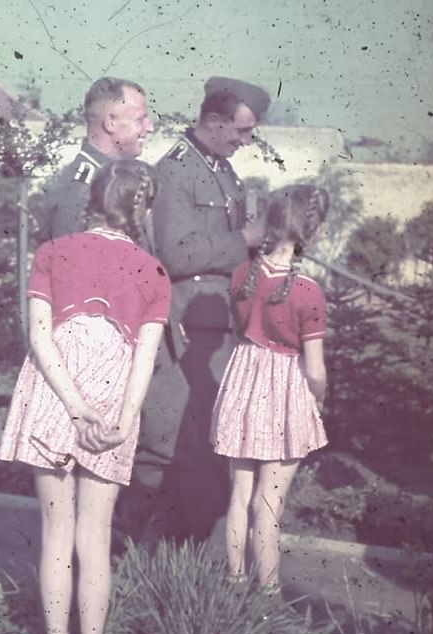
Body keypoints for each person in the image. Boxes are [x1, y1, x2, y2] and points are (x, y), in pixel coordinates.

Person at [0, 159, 170, 634]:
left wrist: (75, 407)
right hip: (115, 402)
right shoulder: (154, 272)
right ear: (144, 211)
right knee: (95, 538)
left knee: (56, 533)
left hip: (55, 392)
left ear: (92, 200)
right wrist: (123, 419)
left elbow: (39, 336)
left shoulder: (53, 252)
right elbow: (145, 360)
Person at [126, 76, 272, 541]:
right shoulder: (177, 170)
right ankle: (126, 549)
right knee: (168, 443)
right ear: (214, 121)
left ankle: (179, 555)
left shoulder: (220, 168)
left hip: (217, 320)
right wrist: (243, 241)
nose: (245, 141)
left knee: (205, 443)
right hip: (189, 320)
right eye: (241, 131)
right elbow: (176, 254)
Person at [210, 184, 330, 591]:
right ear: (314, 229)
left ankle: (235, 580)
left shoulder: (243, 274)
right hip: (284, 394)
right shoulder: (308, 291)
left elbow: (243, 327)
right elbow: (315, 370)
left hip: (243, 383)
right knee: (270, 503)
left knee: (239, 494)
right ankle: (268, 593)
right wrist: (318, 398)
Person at [46, 77, 155, 241]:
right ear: (110, 123)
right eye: (139, 120)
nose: (150, 128)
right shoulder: (81, 191)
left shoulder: (113, 178)